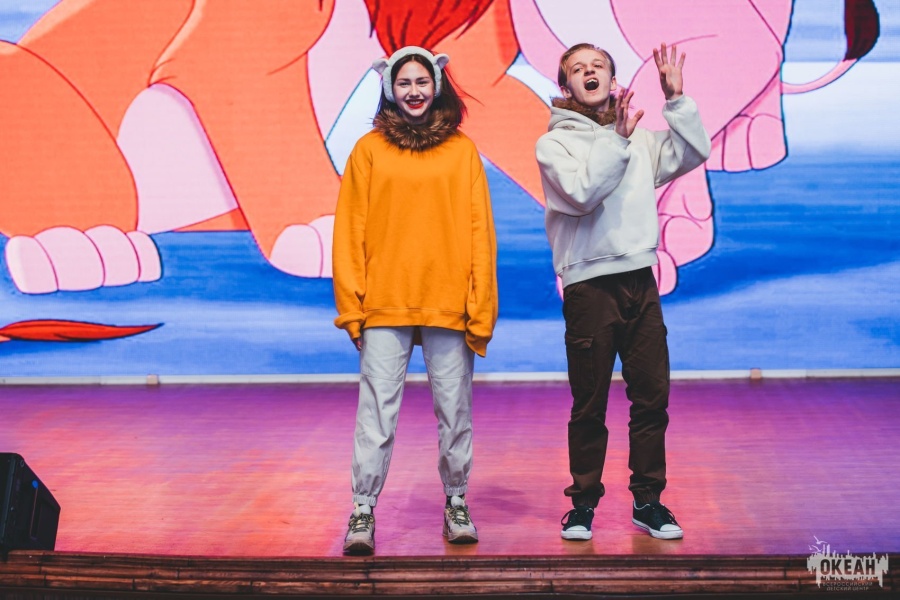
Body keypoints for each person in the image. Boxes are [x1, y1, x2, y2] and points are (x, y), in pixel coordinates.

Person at [535, 42, 711, 541]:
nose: (588, 73)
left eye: (598, 67)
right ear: (565, 86)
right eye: (578, 69)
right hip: (589, 286)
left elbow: (692, 151)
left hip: (640, 280)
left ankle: (648, 501)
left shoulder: (638, 138)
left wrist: (676, 101)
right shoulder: (554, 145)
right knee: (589, 403)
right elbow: (582, 194)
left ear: (613, 81)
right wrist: (617, 139)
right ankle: (582, 505)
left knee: (652, 398)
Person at [332, 46, 498, 556]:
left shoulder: (462, 151)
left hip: (448, 302)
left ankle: (456, 502)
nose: (414, 91)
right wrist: (352, 307)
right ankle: (363, 510)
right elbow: (350, 231)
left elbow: (480, 232)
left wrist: (481, 307)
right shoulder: (368, 151)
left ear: (437, 84)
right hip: (385, 303)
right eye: (403, 82)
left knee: (455, 411)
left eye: (421, 81)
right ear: (389, 88)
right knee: (376, 413)